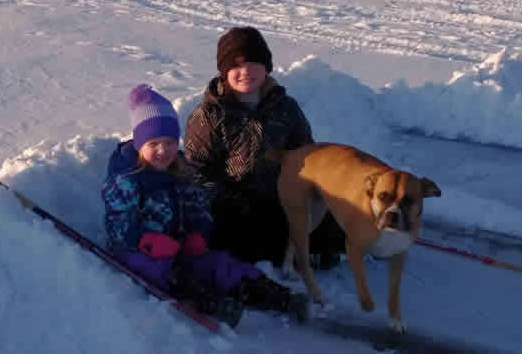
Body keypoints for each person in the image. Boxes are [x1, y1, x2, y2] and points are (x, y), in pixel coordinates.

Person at [101, 84, 309, 327]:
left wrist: (199, 232)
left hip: (178, 246)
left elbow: (198, 207)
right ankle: (205, 301)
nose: (163, 150)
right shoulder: (125, 179)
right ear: (139, 143)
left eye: (169, 142)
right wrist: (145, 241)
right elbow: (117, 223)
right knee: (157, 270)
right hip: (138, 251)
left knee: (218, 264)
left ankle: (273, 296)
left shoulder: (180, 172)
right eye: (153, 143)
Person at [183, 26, 345, 270]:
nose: (245, 72)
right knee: (241, 235)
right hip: (234, 202)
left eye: (253, 63)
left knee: (331, 209)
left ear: (266, 67)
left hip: (280, 195)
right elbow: (196, 169)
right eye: (236, 66)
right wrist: (227, 198)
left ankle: (329, 241)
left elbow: (305, 152)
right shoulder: (209, 114)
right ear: (225, 72)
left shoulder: (284, 107)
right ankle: (288, 252)